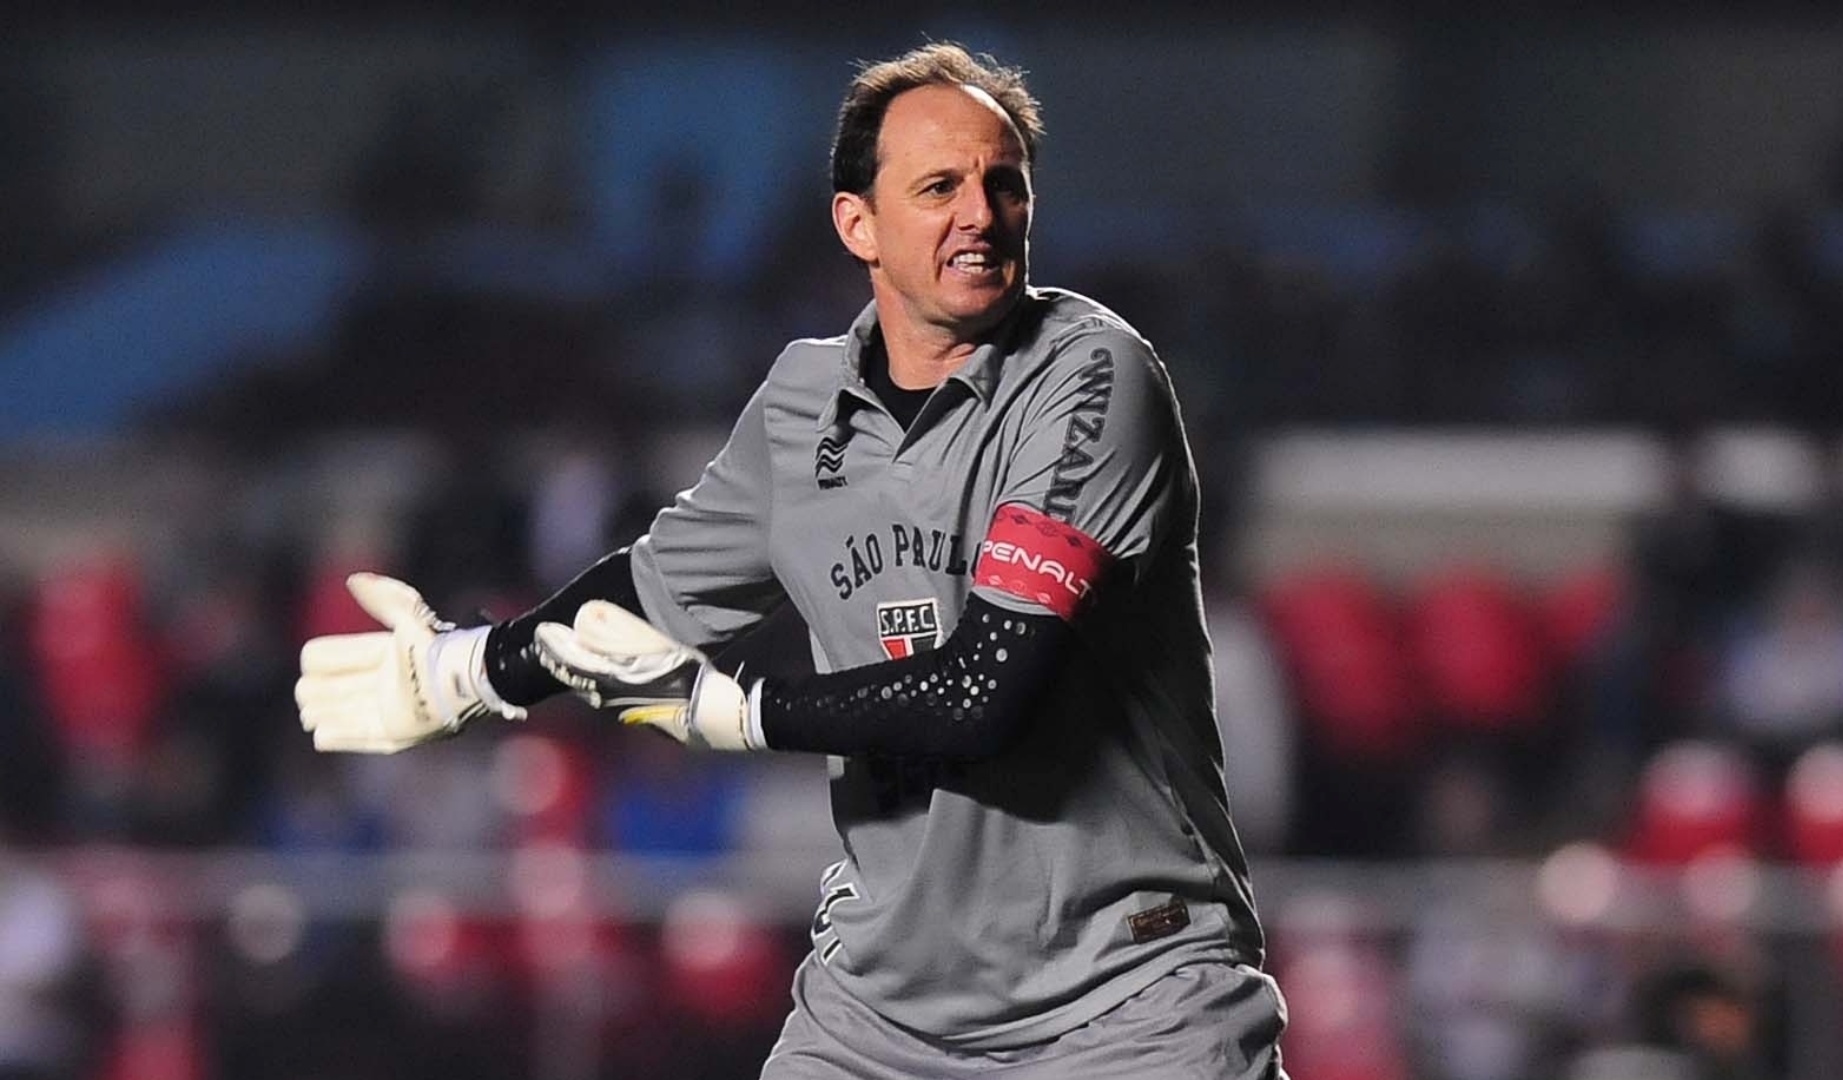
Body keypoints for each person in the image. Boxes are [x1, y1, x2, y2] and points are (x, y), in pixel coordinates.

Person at [295, 42, 1285, 1079]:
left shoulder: (1093, 375)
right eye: (940, 186)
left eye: (1004, 185)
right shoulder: (806, 399)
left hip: (1121, 999)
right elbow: (649, 591)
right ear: (857, 222)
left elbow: (987, 695)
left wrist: (737, 710)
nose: (981, 215)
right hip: (884, 1010)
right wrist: (470, 671)